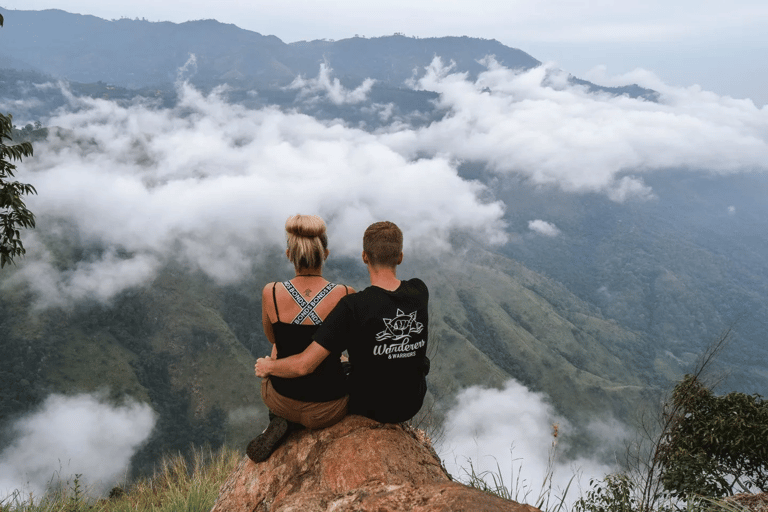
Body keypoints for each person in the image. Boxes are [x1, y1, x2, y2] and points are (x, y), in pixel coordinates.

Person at [256, 221, 429, 424]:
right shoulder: (420, 290)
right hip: (412, 402)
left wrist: (268, 366)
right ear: (400, 257)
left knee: (290, 352)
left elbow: (303, 364)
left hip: (368, 405)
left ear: (364, 257)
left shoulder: (353, 305)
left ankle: (281, 417)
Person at [247, 214, 354, 463]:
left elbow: (272, 337)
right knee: (344, 361)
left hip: (282, 400)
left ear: (289, 254)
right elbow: (349, 343)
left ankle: (281, 421)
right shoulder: (345, 294)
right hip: (328, 408)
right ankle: (293, 421)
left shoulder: (271, 292)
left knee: (276, 348)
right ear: (325, 254)